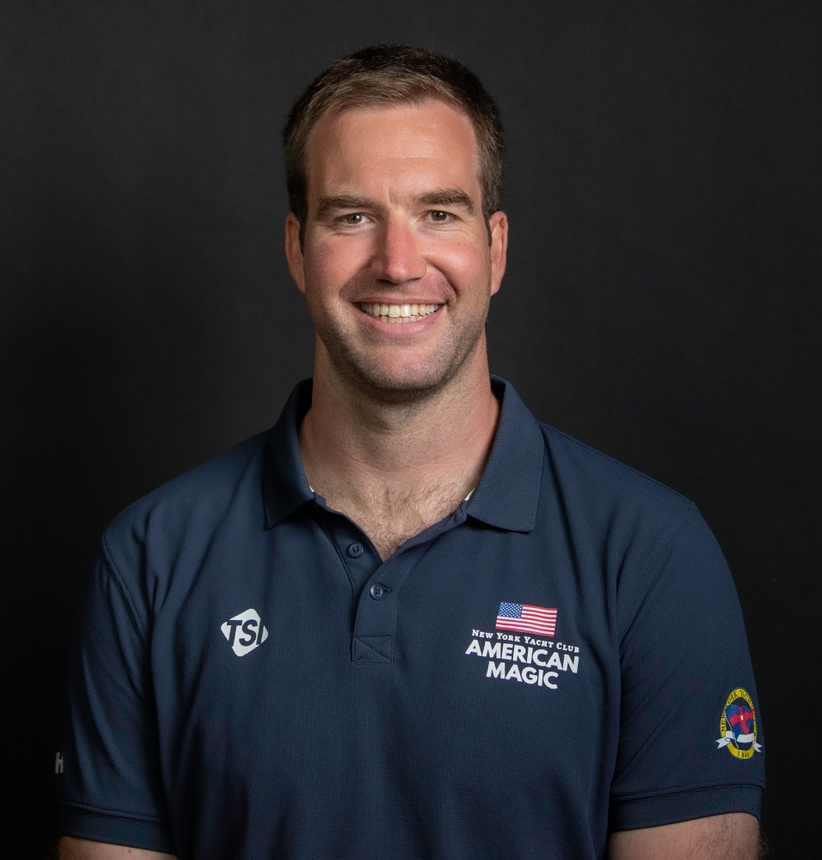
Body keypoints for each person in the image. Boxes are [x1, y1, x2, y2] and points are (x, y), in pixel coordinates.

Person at [56, 44, 764, 859]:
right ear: (296, 249)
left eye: (439, 213)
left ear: (496, 248)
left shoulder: (650, 555)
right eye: (352, 217)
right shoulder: (150, 558)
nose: (397, 264)